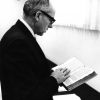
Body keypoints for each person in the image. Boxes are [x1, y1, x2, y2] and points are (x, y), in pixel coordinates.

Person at [0, 0, 70, 100]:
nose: (51, 26)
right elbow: (25, 95)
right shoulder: (18, 42)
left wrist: (50, 73)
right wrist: (54, 79)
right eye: (51, 20)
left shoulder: (20, 33)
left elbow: (29, 70)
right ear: (38, 15)